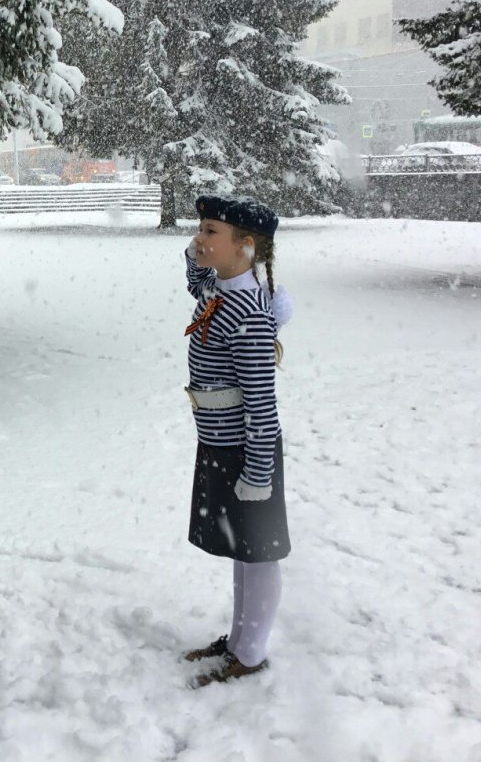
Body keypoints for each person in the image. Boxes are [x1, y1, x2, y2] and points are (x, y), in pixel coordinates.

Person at [179, 195, 291, 687]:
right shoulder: (220, 291)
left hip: (248, 453)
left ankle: (250, 652)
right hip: (221, 445)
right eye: (199, 229)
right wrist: (196, 254)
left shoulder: (246, 312)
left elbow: (262, 407)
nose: (199, 239)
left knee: (258, 553)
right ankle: (239, 639)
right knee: (243, 549)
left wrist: (258, 474)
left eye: (210, 232)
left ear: (245, 246)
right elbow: (195, 283)